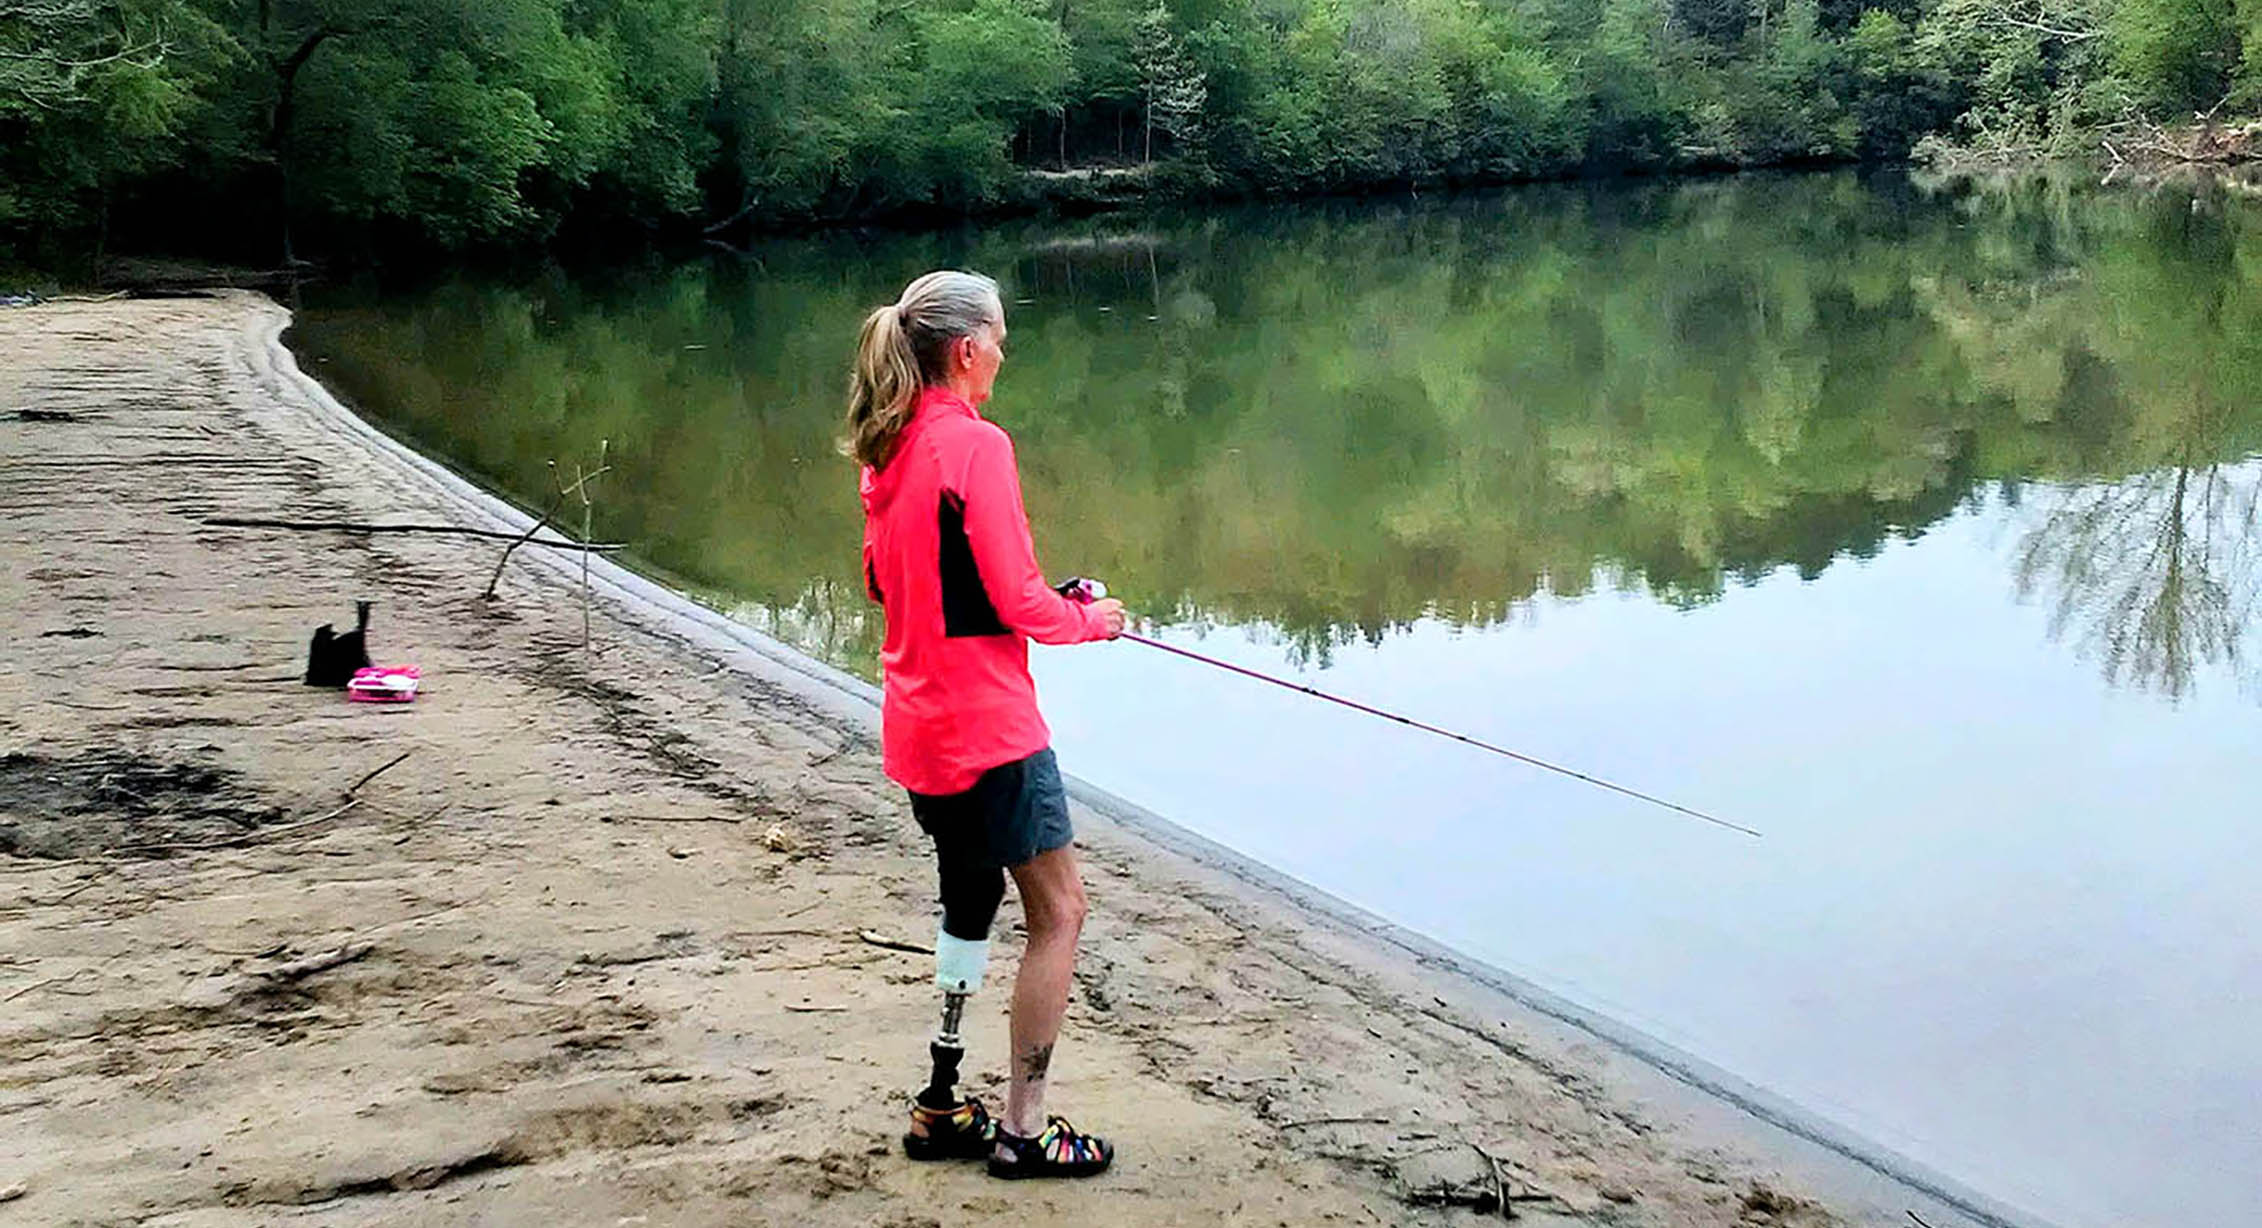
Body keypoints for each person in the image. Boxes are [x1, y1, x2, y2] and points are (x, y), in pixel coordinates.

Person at [846, 270, 1128, 1180]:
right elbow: (1018, 600)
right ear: (966, 350)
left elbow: (885, 585)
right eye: (1000, 339)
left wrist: (1045, 599)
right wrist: (1095, 618)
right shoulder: (977, 446)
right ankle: (1023, 1128)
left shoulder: (883, 450)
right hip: (990, 732)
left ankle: (940, 1105)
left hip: (918, 729)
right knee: (1061, 912)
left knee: (972, 902)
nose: (1005, 353)